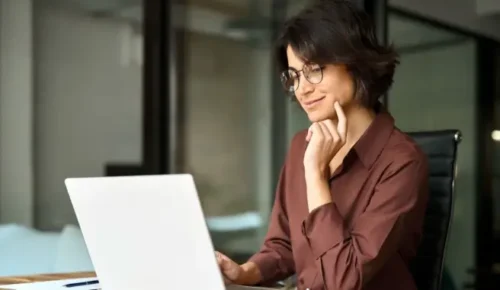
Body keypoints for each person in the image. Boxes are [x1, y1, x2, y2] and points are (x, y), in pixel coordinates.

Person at [216, 0, 429, 289]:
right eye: (295, 76)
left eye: (315, 69)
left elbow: (344, 280)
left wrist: (316, 178)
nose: (302, 89)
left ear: (355, 64)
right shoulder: (300, 146)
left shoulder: (402, 160)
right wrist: (244, 272)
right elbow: (283, 246)